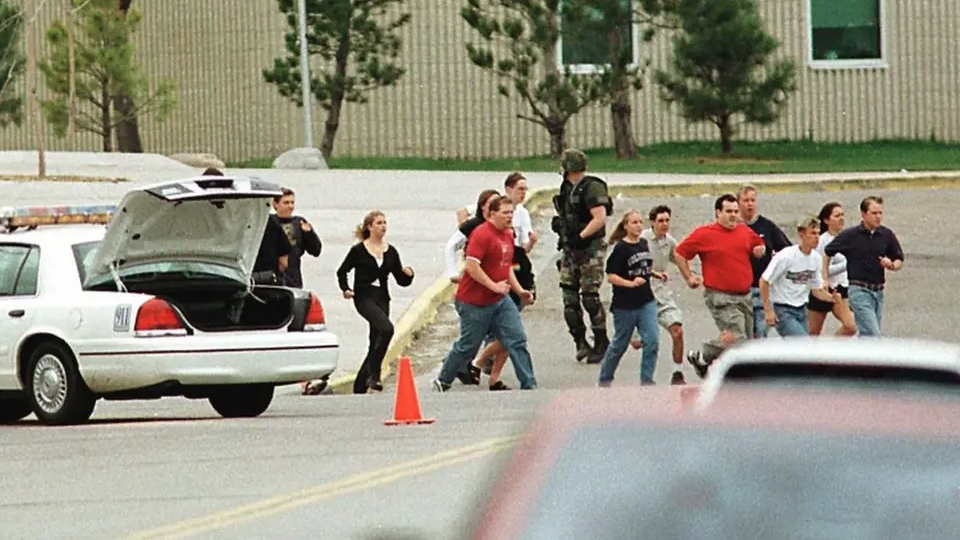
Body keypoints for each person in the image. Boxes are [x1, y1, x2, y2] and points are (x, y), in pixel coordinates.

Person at [432, 196, 537, 392]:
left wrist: (520, 290)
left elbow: (505, 267)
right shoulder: (481, 235)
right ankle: (443, 379)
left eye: (511, 213)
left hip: (500, 300)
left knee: (517, 338)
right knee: (468, 346)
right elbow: (472, 266)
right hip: (474, 301)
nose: (509, 217)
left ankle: (529, 384)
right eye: (505, 213)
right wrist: (493, 286)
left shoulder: (507, 234)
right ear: (491, 214)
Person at [674, 194, 765, 377]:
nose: (733, 215)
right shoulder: (705, 233)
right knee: (737, 338)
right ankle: (704, 353)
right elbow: (680, 252)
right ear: (718, 213)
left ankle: (706, 362)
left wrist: (760, 249)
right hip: (720, 296)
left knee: (745, 342)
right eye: (728, 211)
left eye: (735, 211)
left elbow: (758, 243)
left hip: (744, 296)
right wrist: (689, 277)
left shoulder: (744, 231)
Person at [336, 211, 415, 394]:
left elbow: (400, 280)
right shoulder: (358, 250)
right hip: (364, 297)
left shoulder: (391, 251)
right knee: (387, 329)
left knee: (375, 340)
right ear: (369, 227)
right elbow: (342, 271)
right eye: (379, 223)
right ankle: (375, 375)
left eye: (385, 223)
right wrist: (346, 288)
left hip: (382, 297)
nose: (383, 226)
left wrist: (409, 274)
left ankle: (360, 385)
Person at [551, 149, 614, 363]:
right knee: (569, 297)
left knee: (589, 296)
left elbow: (600, 218)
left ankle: (601, 340)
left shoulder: (592, 187)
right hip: (570, 249)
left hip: (590, 249)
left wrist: (581, 235)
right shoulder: (567, 188)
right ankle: (580, 341)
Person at [597, 210, 667, 387]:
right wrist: (630, 283)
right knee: (619, 344)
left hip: (646, 301)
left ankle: (647, 380)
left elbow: (642, 267)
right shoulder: (620, 248)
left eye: (640, 222)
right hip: (625, 305)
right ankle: (605, 379)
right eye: (634, 222)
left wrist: (655, 274)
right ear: (625, 226)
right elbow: (611, 275)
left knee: (652, 340)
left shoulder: (643, 244)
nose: (638, 226)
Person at [822, 196, 904, 337]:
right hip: (859, 290)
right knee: (873, 333)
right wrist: (824, 278)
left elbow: (899, 259)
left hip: (878, 291)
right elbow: (827, 252)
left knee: (868, 335)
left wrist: (891, 265)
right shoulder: (851, 235)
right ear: (864, 214)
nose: (878, 217)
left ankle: (860, 358)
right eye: (874, 213)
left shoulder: (886, 234)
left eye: (880, 213)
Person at [759, 216, 839, 337]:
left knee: (798, 351)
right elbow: (764, 281)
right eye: (812, 233)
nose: (816, 237)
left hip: (802, 309)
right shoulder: (786, 256)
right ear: (801, 234)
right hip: (783, 309)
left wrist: (831, 298)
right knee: (803, 345)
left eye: (818, 233)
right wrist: (768, 310)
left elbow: (816, 289)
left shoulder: (816, 258)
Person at [638, 204, 687, 385]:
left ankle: (678, 373)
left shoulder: (669, 241)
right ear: (652, 223)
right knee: (644, 342)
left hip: (661, 293)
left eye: (667, 220)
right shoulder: (642, 239)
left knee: (677, 331)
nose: (664, 224)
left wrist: (690, 277)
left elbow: (680, 258)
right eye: (660, 221)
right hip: (640, 292)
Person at [737, 185, 792, 339]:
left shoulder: (766, 226)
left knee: (760, 332)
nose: (749, 204)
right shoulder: (733, 227)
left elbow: (787, 251)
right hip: (739, 290)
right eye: (746, 200)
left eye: (752, 200)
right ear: (738, 203)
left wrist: (774, 257)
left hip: (761, 288)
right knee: (740, 335)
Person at [807, 202, 858, 336]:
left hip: (840, 290)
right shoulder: (822, 241)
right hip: (822, 289)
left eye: (842, 215)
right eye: (836, 216)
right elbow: (819, 269)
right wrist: (846, 264)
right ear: (826, 220)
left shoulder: (847, 238)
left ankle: (831, 352)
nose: (841, 218)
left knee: (850, 326)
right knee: (812, 333)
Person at [272, 188, 322, 288]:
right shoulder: (269, 222)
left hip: (293, 278)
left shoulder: (299, 223)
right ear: (275, 204)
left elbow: (316, 251)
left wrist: (309, 234)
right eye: (286, 203)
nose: (290, 206)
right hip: (272, 277)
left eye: (292, 202)